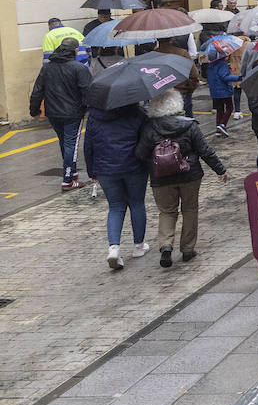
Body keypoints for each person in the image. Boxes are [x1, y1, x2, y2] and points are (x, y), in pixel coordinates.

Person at [135, 90, 227, 268]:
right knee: (190, 209)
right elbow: (205, 150)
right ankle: (187, 249)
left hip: (160, 178)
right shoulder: (189, 125)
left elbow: (140, 153)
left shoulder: (149, 127)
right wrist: (220, 169)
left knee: (167, 211)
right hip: (189, 174)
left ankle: (166, 245)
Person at [84, 102, 150, 270]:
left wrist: (92, 172)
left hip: (105, 169)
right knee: (137, 203)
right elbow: (147, 139)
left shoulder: (94, 116)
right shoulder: (138, 113)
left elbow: (88, 146)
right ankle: (138, 246)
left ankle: (114, 248)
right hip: (134, 166)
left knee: (115, 207)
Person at [28, 36, 91, 190]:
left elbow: (37, 91)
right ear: (75, 50)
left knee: (64, 143)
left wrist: (34, 111)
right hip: (73, 113)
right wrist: (89, 108)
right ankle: (68, 179)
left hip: (53, 113)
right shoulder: (79, 68)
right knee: (71, 145)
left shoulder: (47, 67)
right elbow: (88, 91)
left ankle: (71, 172)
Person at [204, 48, 239, 137]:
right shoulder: (222, 64)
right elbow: (225, 77)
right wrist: (237, 78)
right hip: (224, 90)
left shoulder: (210, 65)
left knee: (220, 109)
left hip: (214, 91)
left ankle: (218, 129)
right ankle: (222, 124)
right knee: (230, 107)